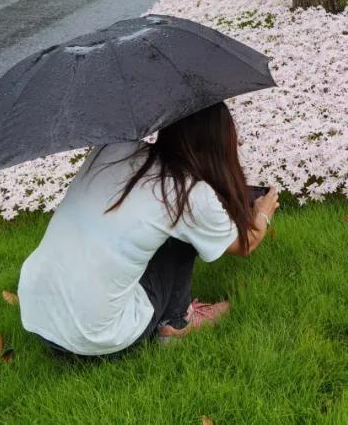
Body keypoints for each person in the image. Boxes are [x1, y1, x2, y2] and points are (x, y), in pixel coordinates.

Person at [18, 102, 279, 357]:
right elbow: (246, 244)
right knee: (180, 233)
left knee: (158, 226)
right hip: (95, 336)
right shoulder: (187, 193)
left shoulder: (113, 148)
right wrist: (263, 212)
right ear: (218, 141)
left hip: (38, 318)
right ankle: (176, 323)